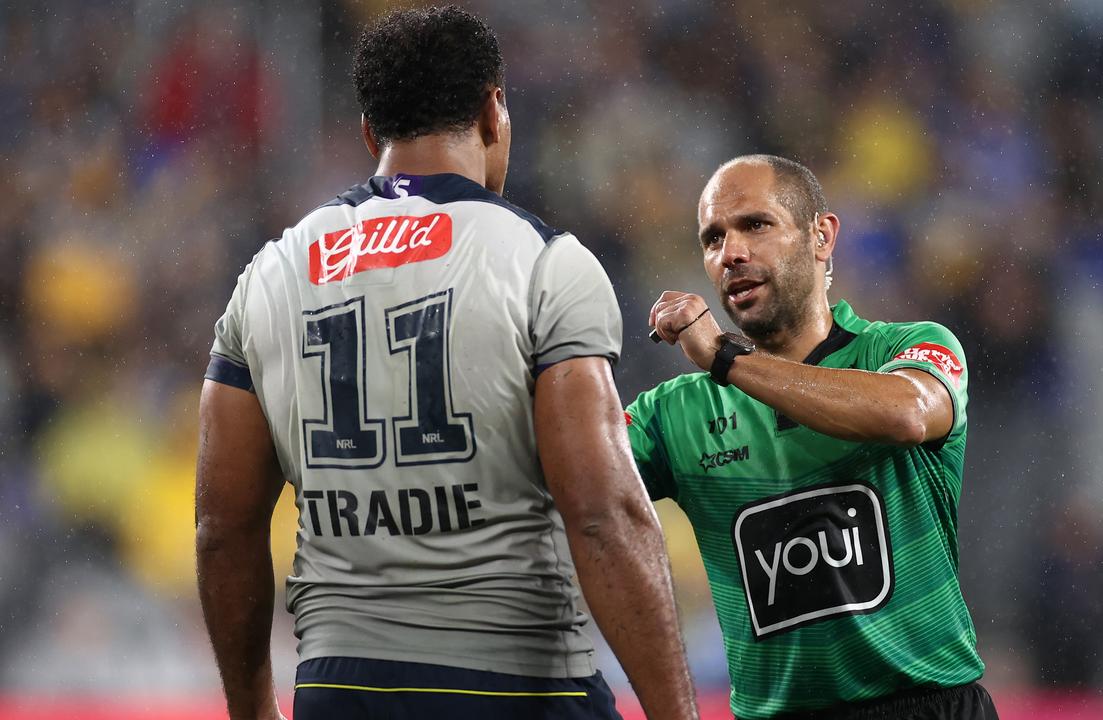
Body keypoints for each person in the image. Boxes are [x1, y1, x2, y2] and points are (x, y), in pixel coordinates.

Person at [194, 7, 698, 720]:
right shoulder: (545, 263)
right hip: (515, 685)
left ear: (372, 133)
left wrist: (253, 712)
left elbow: (224, 528)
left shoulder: (271, 272)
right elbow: (602, 516)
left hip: (341, 688)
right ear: (495, 111)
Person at [631, 154, 997, 720]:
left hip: (925, 706)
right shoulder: (673, 415)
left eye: (755, 225)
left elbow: (908, 413)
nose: (731, 253)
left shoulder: (907, 347)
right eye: (713, 238)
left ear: (821, 236)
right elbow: (567, 469)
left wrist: (727, 358)